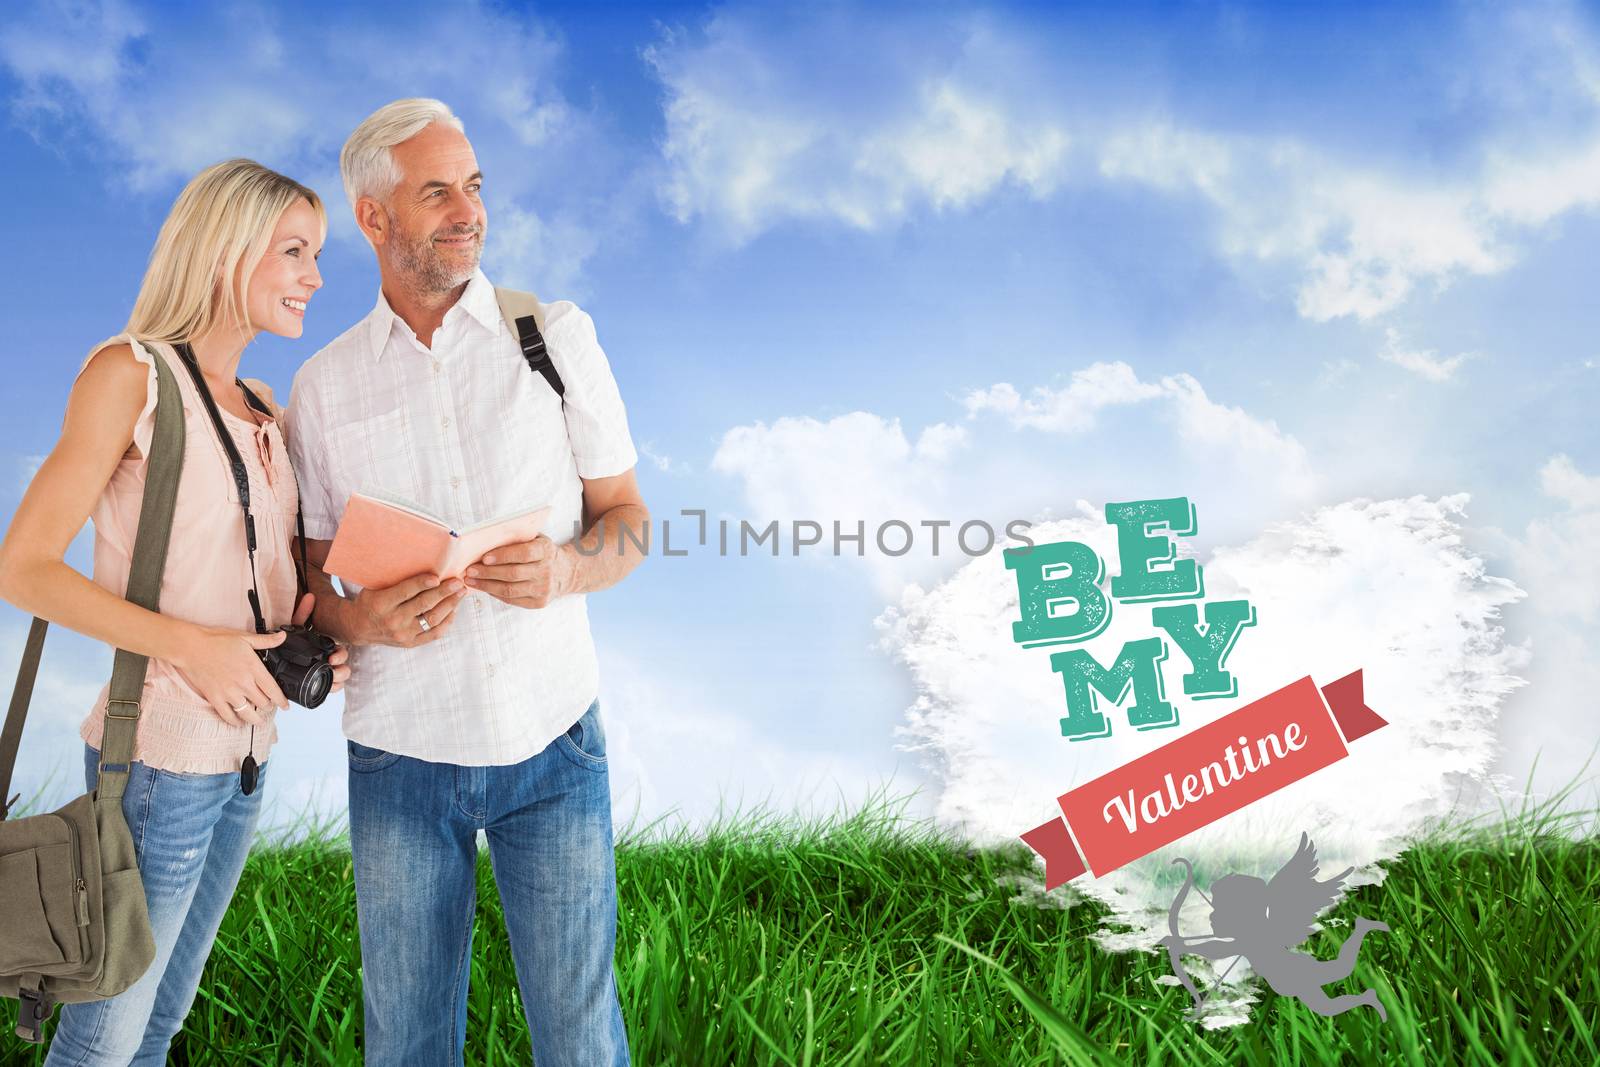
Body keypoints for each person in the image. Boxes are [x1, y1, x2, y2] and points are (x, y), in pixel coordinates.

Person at [284, 98, 647, 1066]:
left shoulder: (554, 335)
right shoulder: (322, 385)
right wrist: (358, 614)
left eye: (475, 185)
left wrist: (570, 566)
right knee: (405, 1040)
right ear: (373, 218)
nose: (468, 209)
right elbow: (315, 569)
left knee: (578, 1034)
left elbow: (629, 520)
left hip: (553, 739)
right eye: (436, 189)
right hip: (402, 750)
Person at [0, 158, 351, 1065]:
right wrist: (194, 648)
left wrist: (305, 636)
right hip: (158, 753)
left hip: (244, 753)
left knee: (161, 1021)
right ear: (227, 248)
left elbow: (246, 578)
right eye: (295, 250)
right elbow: (25, 568)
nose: (317, 275)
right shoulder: (132, 376)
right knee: (103, 1039)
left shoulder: (264, 408)